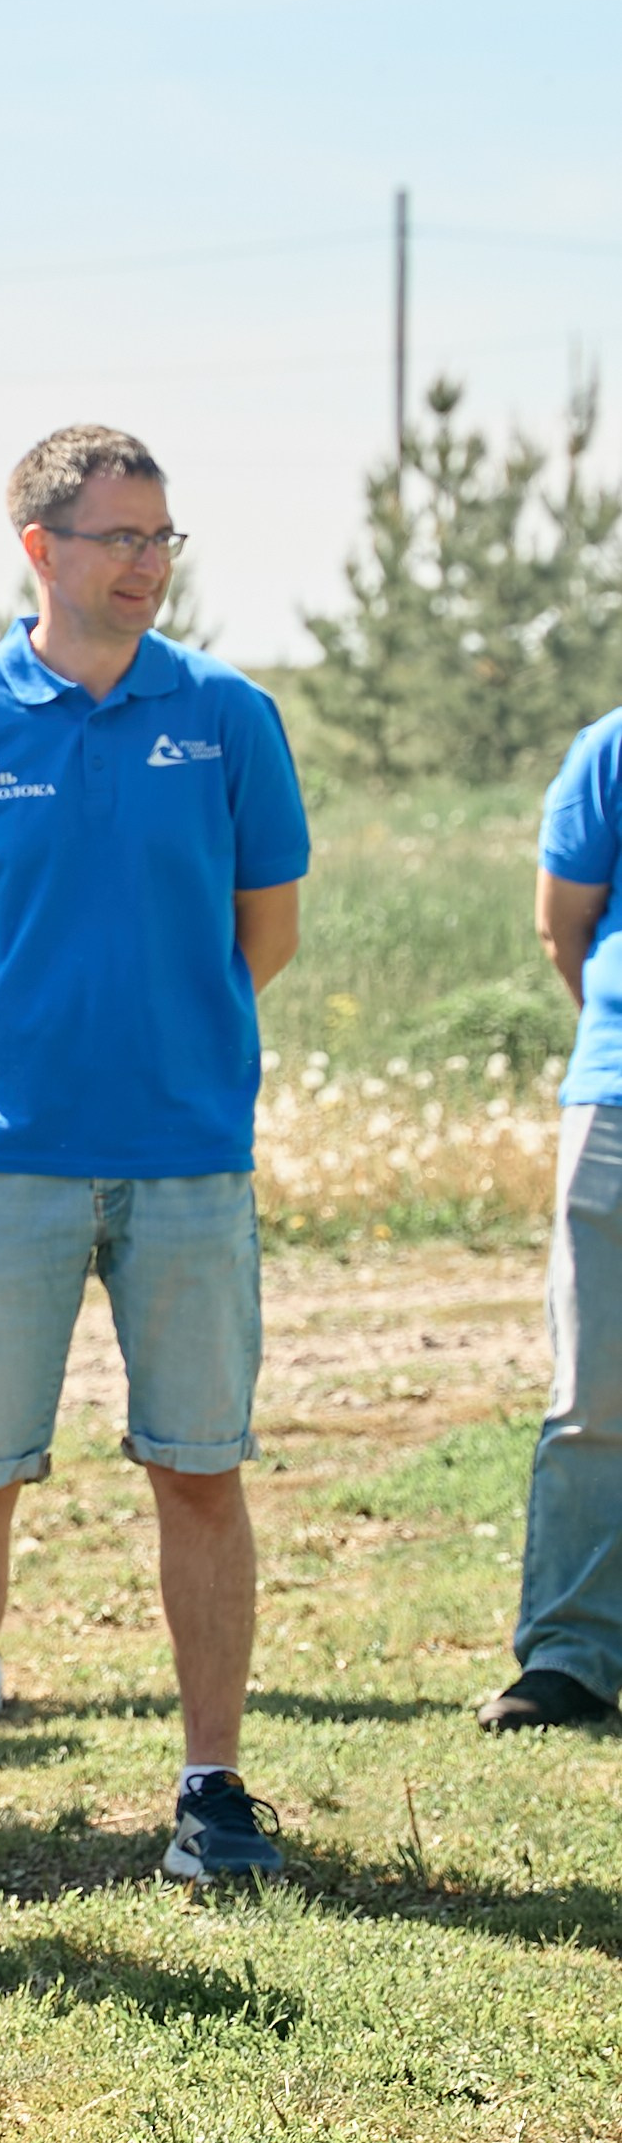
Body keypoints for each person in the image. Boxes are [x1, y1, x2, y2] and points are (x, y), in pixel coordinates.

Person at [0, 424, 308, 1897]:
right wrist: (19, 1054)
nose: (148, 561)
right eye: (121, 536)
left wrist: (162, 1051)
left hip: (188, 1157)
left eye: (162, 535)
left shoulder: (230, 716)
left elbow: (266, 933)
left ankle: (211, 1789)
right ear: (40, 548)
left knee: (199, 1468)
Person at [479, 713, 622, 1731]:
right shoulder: (607, 747)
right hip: (615, 1100)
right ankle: (570, 1653)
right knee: (594, 1391)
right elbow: (560, 927)